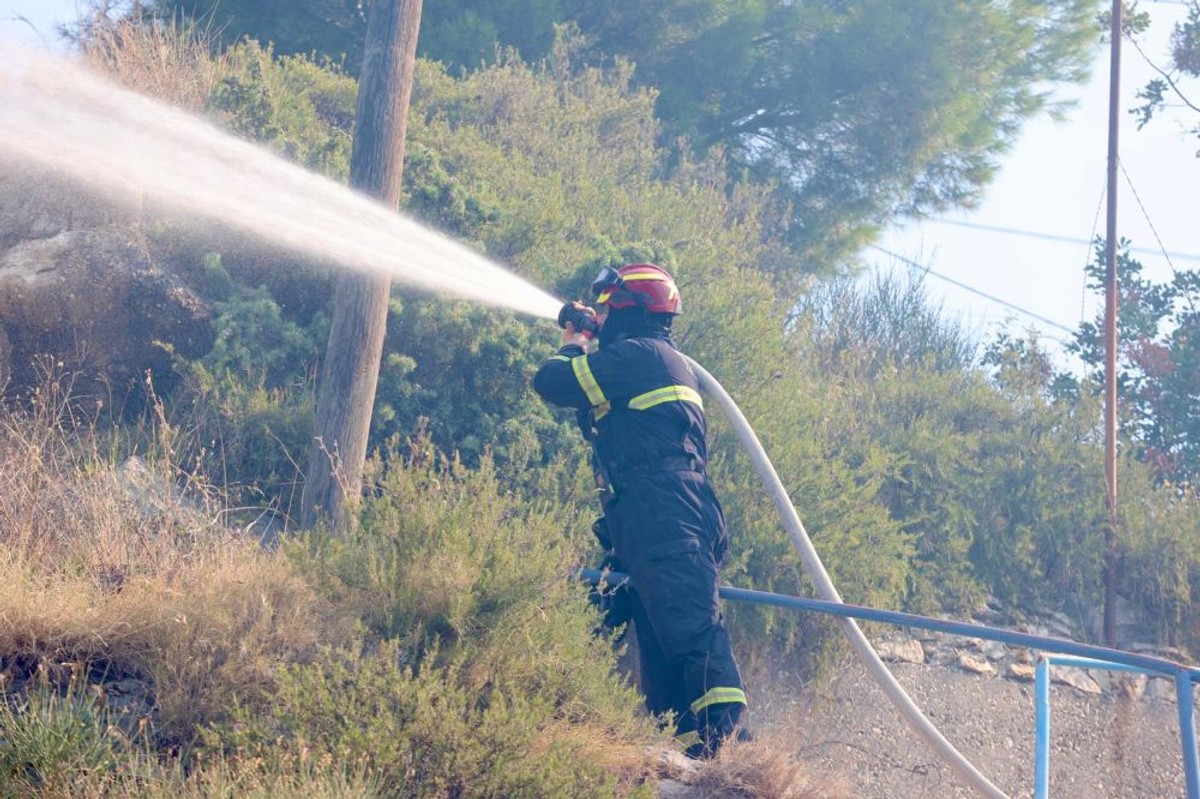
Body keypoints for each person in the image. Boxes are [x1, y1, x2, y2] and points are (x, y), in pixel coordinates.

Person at [532, 262, 747, 758]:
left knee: (694, 632)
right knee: (661, 649)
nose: (601, 316)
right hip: (652, 517)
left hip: (668, 515)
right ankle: (689, 753)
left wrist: (573, 342)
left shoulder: (641, 356)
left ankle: (734, 754)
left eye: (608, 307)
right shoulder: (645, 360)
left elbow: (553, 382)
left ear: (630, 308)